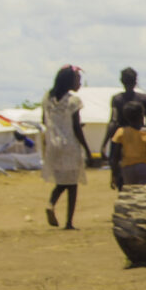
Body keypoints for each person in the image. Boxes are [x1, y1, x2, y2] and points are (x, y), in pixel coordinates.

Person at [40, 65, 90, 228]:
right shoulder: (73, 101)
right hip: (69, 144)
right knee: (72, 184)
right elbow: (76, 127)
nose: (79, 83)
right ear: (70, 81)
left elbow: (44, 120)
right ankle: (69, 221)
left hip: (53, 144)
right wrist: (88, 149)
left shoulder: (47, 97)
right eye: (78, 80)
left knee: (62, 180)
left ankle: (51, 203)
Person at [104, 68, 146, 192]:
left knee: (122, 178)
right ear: (136, 81)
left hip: (122, 140)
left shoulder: (117, 99)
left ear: (121, 81)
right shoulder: (144, 99)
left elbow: (113, 121)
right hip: (140, 141)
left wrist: (104, 143)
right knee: (143, 181)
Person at [110, 101, 146, 187]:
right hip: (144, 167)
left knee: (131, 191)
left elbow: (116, 156)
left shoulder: (121, 132)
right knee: (145, 192)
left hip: (127, 168)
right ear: (142, 115)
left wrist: (114, 175)